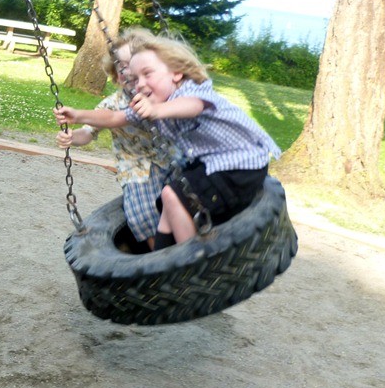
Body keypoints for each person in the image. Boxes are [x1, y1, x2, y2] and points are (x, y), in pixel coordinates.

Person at [55, 28, 281, 249]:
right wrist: (78, 115)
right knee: (163, 204)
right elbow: (115, 116)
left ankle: (193, 258)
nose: (139, 83)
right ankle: (162, 256)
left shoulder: (190, 91)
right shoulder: (140, 101)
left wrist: (156, 111)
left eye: (147, 73)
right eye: (132, 76)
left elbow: (192, 106)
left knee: (174, 195)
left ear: (176, 73)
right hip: (177, 168)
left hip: (237, 165)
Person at [54, 33, 179, 250]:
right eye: (122, 67)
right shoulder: (111, 104)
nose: (128, 72)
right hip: (136, 169)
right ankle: (157, 254)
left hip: (171, 159)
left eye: (134, 64)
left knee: (187, 197)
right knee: (142, 213)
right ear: (114, 74)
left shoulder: (163, 95)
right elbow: (89, 132)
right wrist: (72, 137)